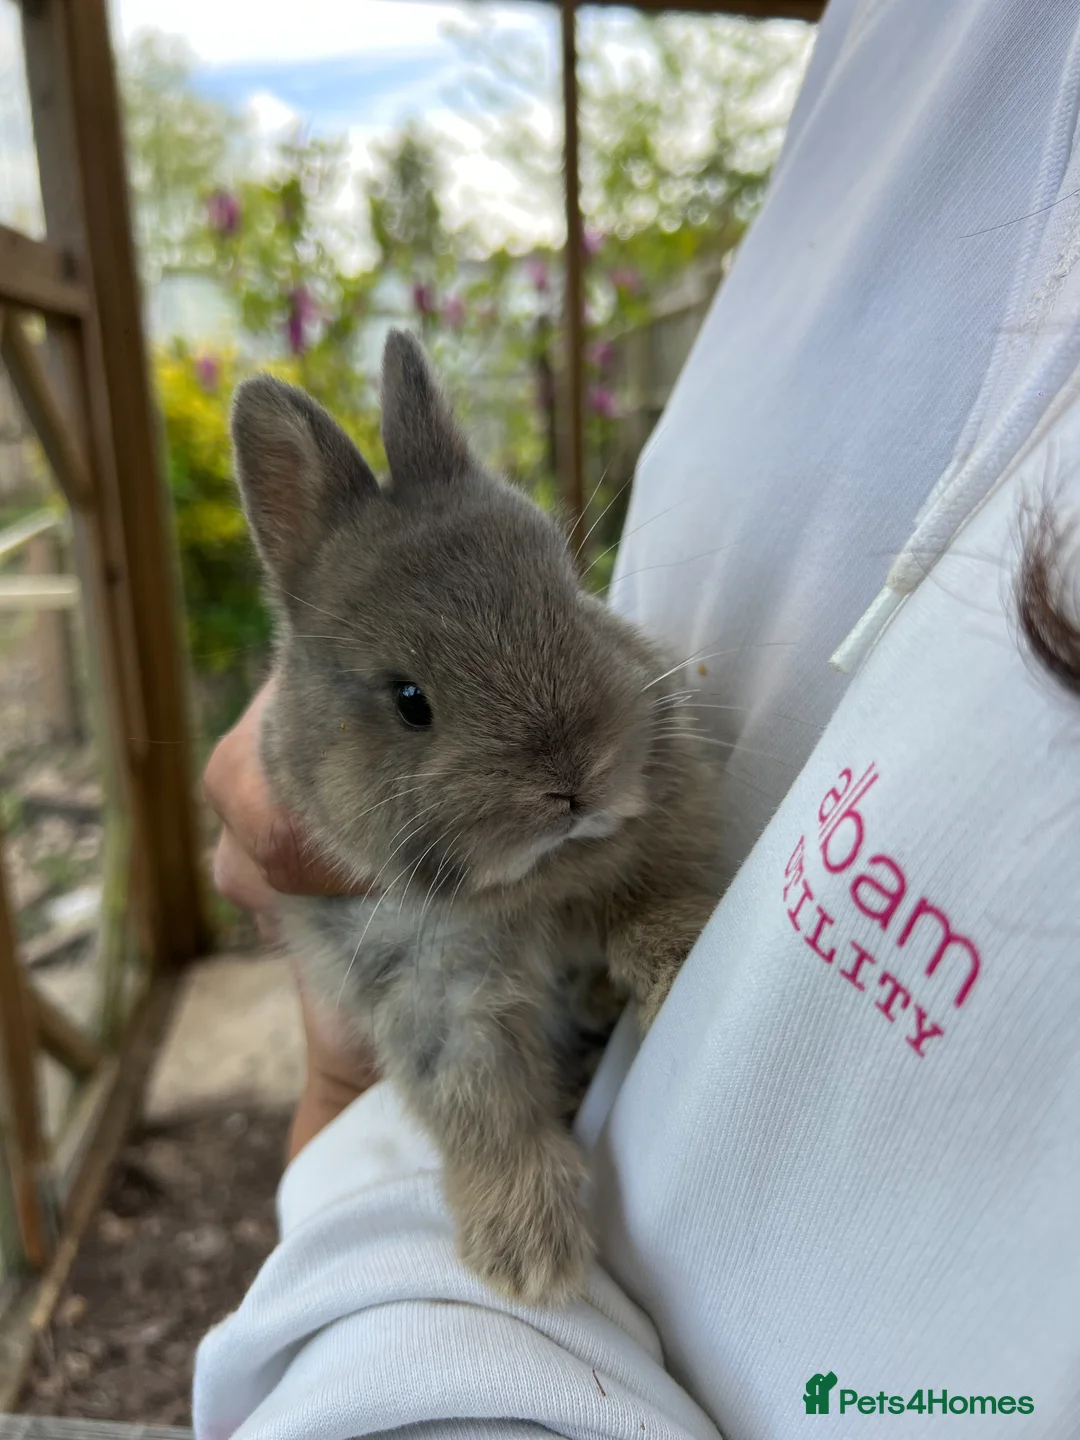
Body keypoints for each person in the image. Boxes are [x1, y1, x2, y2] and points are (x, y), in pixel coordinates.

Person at [194, 0, 1080, 1434]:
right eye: (419, 705)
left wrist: (654, 907)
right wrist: (434, 1120)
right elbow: (386, 1013)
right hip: (436, 1254)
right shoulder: (892, 45)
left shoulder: (626, 740)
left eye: (569, 605)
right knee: (452, 1012)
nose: (564, 759)